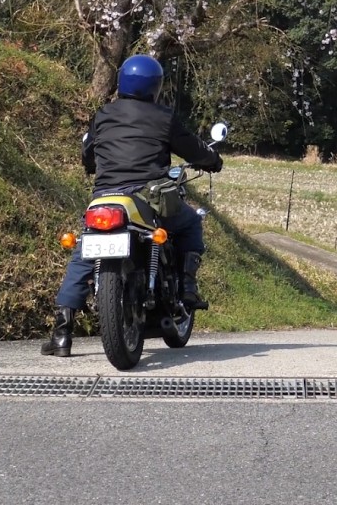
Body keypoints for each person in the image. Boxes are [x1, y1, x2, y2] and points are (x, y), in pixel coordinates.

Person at [41, 54, 224, 357]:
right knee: (190, 222)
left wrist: (94, 164)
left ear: (123, 81)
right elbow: (194, 150)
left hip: (105, 198)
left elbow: (88, 154)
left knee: (84, 252)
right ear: (155, 85)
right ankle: (188, 287)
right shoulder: (163, 117)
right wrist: (213, 160)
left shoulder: (103, 115)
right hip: (145, 196)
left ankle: (61, 333)